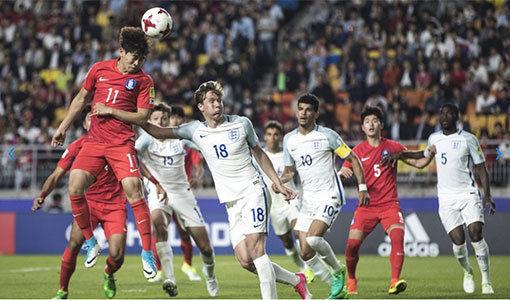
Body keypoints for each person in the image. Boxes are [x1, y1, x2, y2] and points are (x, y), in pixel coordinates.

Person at [140, 81, 311, 299]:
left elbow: (258, 152)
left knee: (257, 250)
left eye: (219, 99)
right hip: (230, 202)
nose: (217, 104)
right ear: (201, 106)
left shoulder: (241, 124)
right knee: (246, 261)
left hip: (253, 191)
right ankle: (298, 280)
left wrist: (276, 182)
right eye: (211, 101)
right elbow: (158, 132)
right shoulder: (195, 130)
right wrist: (135, 116)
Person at [50, 26, 157, 278]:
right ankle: (91, 242)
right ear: (122, 52)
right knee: (75, 186)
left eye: (142, 59)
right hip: (95, 142)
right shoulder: (99, 69)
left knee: (134, 188)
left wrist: (111, 111)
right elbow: (79, 100)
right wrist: (63, 128)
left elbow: (142, 117)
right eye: (134, 57)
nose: (137, 63)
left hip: (121, 144)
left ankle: (147, 254)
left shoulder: (144, 81)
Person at [33, 106, 166, 299]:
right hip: (90, 205)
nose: (96, 121)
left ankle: (109, 273)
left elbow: (137, 163)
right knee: (74, 244)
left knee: (117, 255)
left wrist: (155, 183)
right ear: (87, 125)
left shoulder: (119, 144)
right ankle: (62, 290)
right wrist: (43, 195)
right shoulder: (78, 147)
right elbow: (56, 175)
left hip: (115, 206)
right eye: (91, 119)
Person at [382, 103, 496, 294]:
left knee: (476, 233)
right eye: (441, 113)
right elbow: (423, 155)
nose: (444, 116)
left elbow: (481, 168)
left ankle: (486, 281)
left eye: (448, 113)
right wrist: (401, 154)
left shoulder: (469, 139)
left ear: (457, 116)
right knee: (458, 242)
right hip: (445, 197)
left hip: (468, 193)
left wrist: (487, 196)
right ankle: (467, 271)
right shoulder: (434, 138)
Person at [280, 93, 369, 299]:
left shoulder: (328, 136)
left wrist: (362, 187)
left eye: (308, 110)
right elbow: (289, 172)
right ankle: (337, 291)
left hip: (330, 194)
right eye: (300, 109)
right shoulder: (289, 140)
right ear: (296, 112)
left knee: (312, 238)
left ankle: (338, 270)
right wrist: (279, 183)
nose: (303, 113)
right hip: (308, 199)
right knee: (305, 252)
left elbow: (353, 158)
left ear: (316, 113)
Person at [339, 106, 431, 295]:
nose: (371, 124)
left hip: (389, 204)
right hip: (366, 206)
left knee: (398, 237)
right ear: (363, 127)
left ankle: (395, 281)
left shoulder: (393, 147)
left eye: (374, 120)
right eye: (367, 122)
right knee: (352, 246)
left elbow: (419, 163)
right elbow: (343, 171)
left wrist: (431, 154)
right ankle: (351, 279)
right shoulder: (356, 151)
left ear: (381, 124)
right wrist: (341, 173)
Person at [136, 104, 218, 297]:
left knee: (205, 247)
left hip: (183, 194)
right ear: (150, 120)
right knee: (158, 224)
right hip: (158, 193)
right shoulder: (146, 138)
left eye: (164, 119)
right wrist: (154, 182)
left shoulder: (179, 136)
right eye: (156, 119)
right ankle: (170, 278)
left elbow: (201, 147)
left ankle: (211, 276)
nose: (160, 123)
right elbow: (133, 157)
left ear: (168, 119)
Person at [261, 120, 315, 282]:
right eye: (269, 134)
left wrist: (280, 181)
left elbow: (290, 173)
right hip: (274, 206)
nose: (272, 137)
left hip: (291, 198)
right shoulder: (260, 156)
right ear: (265, 136)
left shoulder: (287, 153)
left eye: (276, 134)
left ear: (280, 137)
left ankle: (310, 266)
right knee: (287, 242)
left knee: (298, 231)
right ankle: (303, 268)